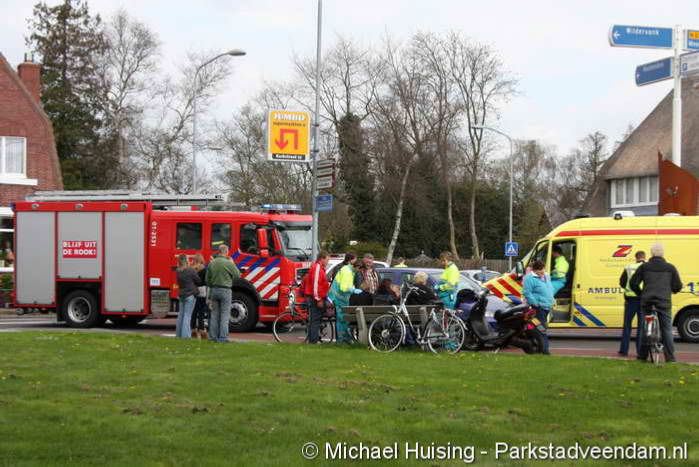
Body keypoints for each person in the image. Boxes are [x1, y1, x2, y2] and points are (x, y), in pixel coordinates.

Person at [630, 243, 682, 362]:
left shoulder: (644, 267)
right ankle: (670, 357)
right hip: (664, 302)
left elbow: (633, 283)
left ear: (652, 254)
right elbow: (677, 286)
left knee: (644, 328)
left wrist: (641, 293)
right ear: (663, 254)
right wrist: (672, 290)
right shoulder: (670, 268)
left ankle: (642, 356)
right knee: (666, 329)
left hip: (647, 301)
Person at [205, 245, 240, 343]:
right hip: (225, 290)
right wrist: (233, 263)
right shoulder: (228, 263)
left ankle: (213, 337)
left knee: (214, 314)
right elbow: (237, 275)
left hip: (214, 290)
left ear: (218, 252)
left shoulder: (212, 263)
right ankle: (223, 337)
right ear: (227, 252)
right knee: (224, 314)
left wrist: (212, 285)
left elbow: (207, 280)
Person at [328, 252, 362, 343]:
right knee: (342, 319)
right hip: (339, 298)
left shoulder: (348, 270)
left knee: (343, 319)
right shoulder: (347, 271)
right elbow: (343, 288)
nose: (359, 271)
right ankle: (342, 340)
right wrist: (353, 290)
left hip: (340, 298)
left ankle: (344, 339)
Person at [522, 259, 554, 355]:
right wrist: (535, 303)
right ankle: (545, 350)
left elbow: (549, 289)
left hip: (547, 306)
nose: (542, 272)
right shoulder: (529, 278)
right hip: (538, 308)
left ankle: (532, 343)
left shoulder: (546, 276)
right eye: (540, 270)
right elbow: (527, 292)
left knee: (537, 327)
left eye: (543, 269)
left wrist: (552, 300)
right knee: (542, 328)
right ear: (535, 270)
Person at [618, 250, 645, 357]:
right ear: (644, 257)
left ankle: (624, 350)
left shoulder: (628, 267)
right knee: (641, 326)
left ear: (636, 257)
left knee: (627, 325)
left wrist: (628, 289)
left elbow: (622, 282)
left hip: (630, 300)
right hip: (643, 299)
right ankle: (640, 352)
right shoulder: (647, 267)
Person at [303, 250, 331, 344]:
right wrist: (318, 299)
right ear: (322, 259)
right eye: (327, 260)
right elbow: (316, 285)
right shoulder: (317, 268)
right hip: (315, 298)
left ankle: (314, 339)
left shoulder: (319, 268)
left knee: (316, 320)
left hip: (316, 297)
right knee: (315, 320)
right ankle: (313, 341)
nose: (328, 262)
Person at [175, 254, 202, 338]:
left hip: (182, 294)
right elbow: (198, 281)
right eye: (188, 259)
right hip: (190, 295)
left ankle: (178, 335)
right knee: (187, 316)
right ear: (186, 261)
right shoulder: (190, 270)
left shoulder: (178, 271)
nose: (189, 260)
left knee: (181, 316)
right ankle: (185, 336)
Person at [190, 253, 209, 340]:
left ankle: (193, 330)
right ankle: (202, 330)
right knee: (201, 312)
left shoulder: (191, 269)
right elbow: (206, 281)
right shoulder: (204, 269)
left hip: (193, 291)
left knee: (193, 312)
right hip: (202, 291)